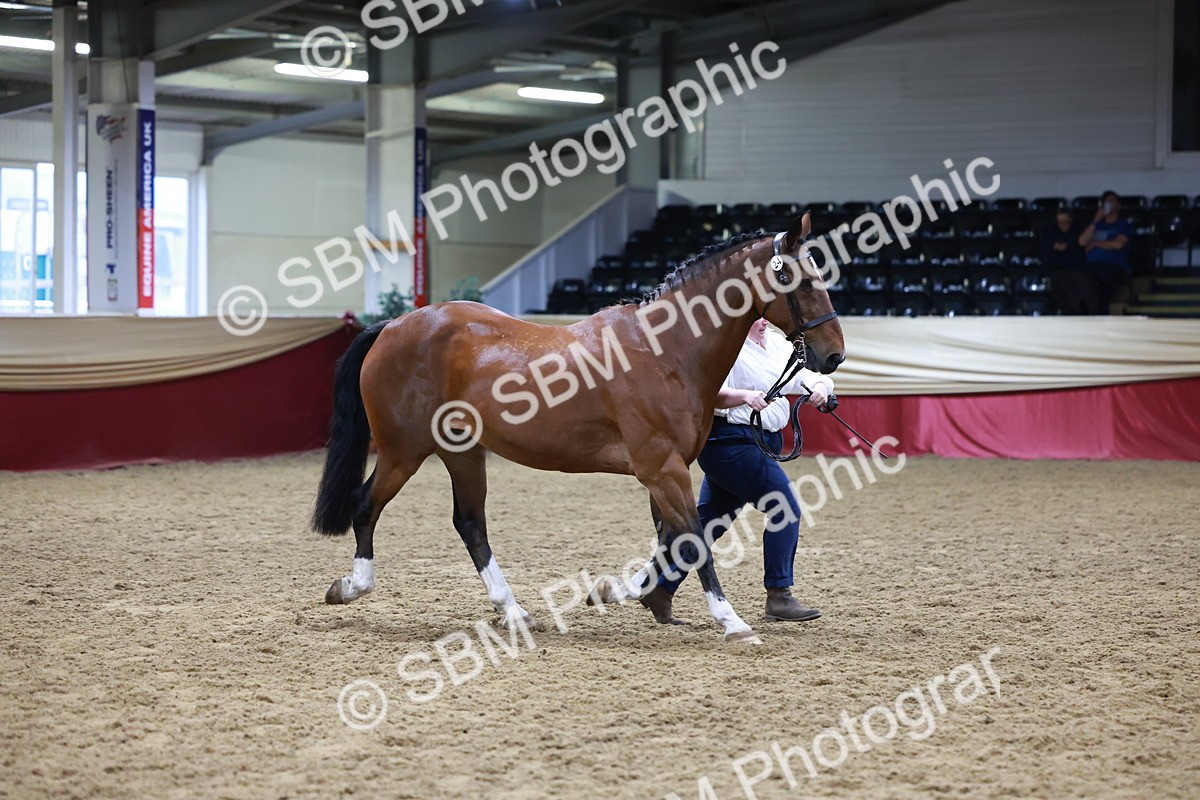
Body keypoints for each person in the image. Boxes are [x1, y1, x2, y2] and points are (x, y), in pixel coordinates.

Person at [637, 317, 836, 625]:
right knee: (785, 508)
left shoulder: (776, 344)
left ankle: (659, 587)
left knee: (708, 523)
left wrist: (821, 388)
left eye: (764, 316)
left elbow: (804, 376)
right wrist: (744, 396)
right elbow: (708, 393)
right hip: (730, 442)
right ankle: (779, 595)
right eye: (755, 316)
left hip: (757, 442)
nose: (762, 322)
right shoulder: (724, 346)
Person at [1078, 191, 1133, 313]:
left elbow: (1118, 244)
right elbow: (1082, 241)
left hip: (1113, 266)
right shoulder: (1097, 226)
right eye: (1106, 201)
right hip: (1091, 266)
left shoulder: (1123, 225)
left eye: (1112, 201)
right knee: (1078, 278)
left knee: (1105, 282)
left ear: (1118, 206)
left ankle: (1101, 311)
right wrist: (1096, 220)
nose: (1108, 203)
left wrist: (1095, 243)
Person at [1040, 210, 1096, 314]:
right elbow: (1047, 252)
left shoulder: (1078, 231)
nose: (1062, 225)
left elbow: (1081, 246)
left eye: (1065, 221)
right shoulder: (1050, 233)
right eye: (1060, 222)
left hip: (1077, 269)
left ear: (1070, 220)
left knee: (1082, 283)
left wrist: (1068, 246)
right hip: (1056, 270)